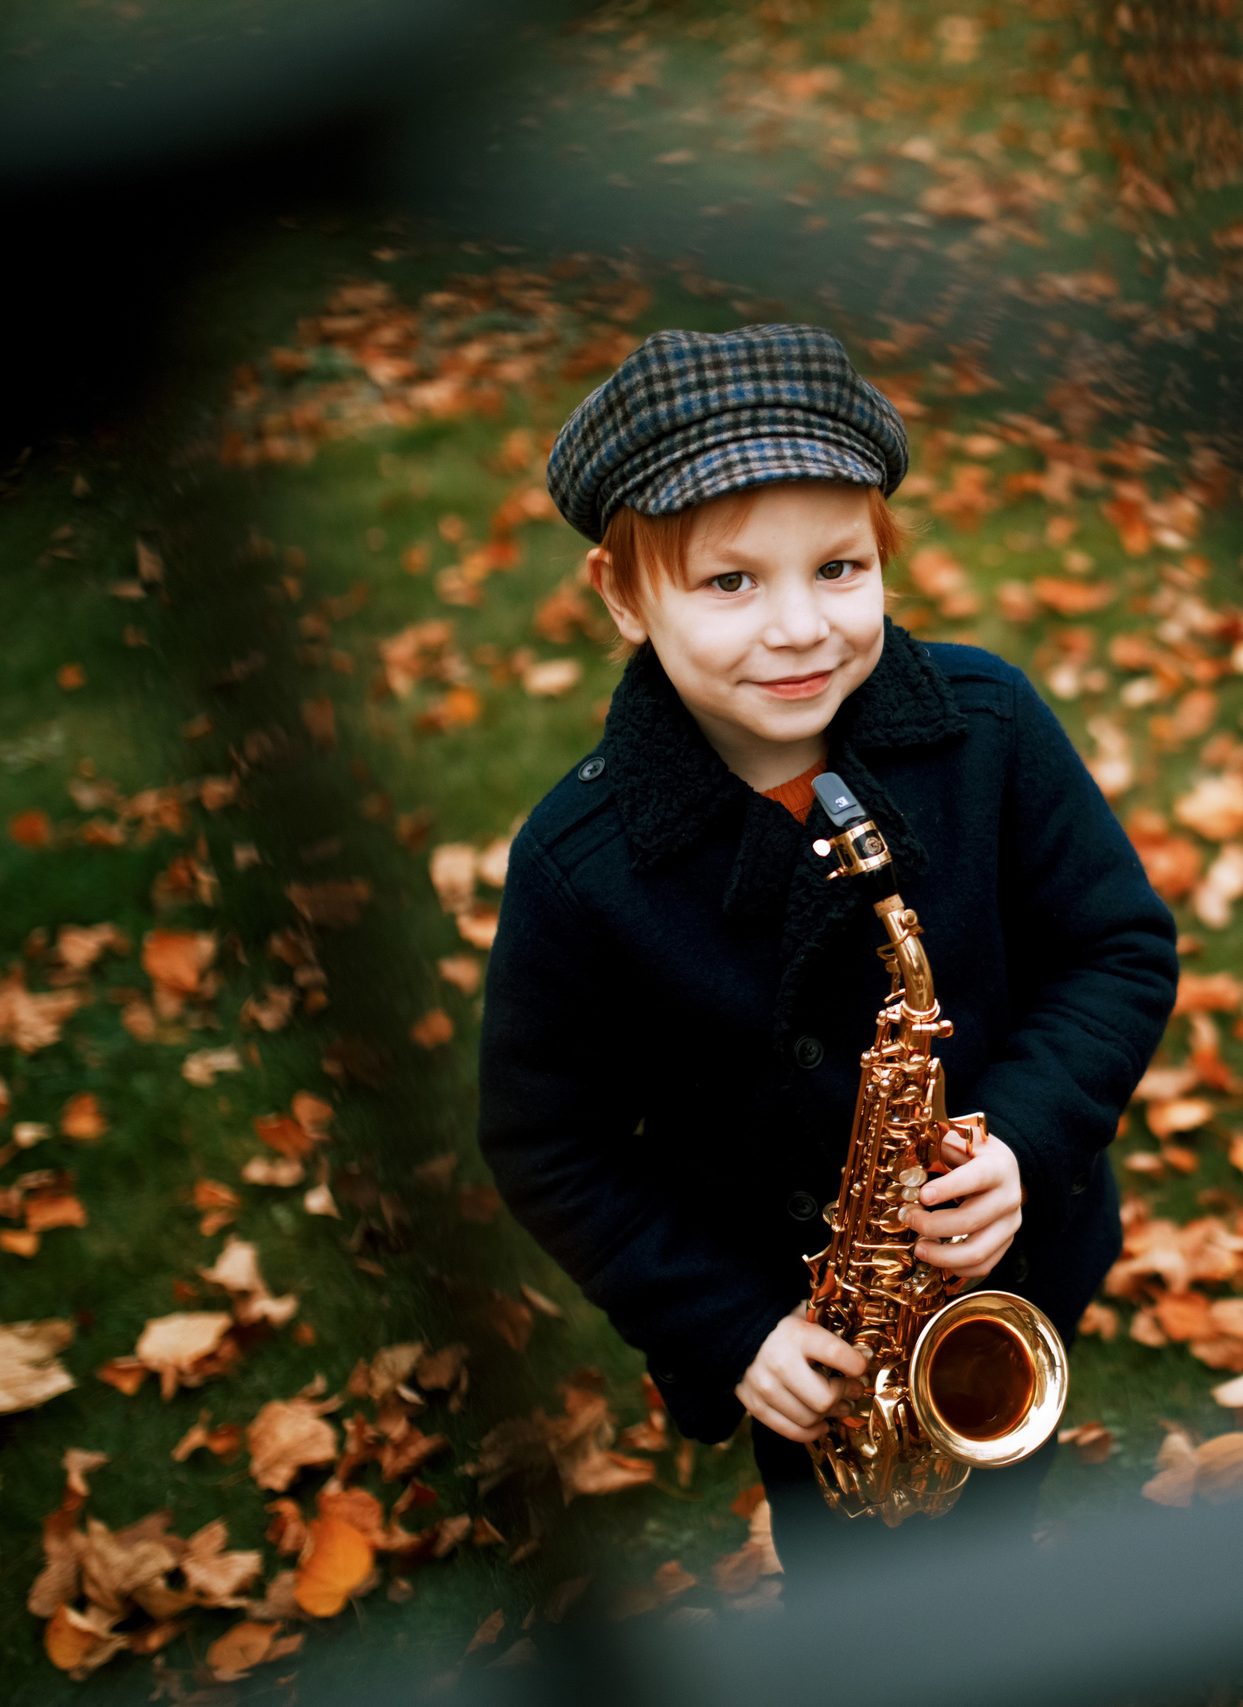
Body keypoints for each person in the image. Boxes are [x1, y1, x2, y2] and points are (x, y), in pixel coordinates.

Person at [477, 324, 1179, 1554]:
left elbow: (1116, 948)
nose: (800, 629)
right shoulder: (577, 865)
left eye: (840, 568)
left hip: (999, 1285)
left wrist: (1018, 1135)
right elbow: (551, 1140)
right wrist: (730, 1328)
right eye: (729, 582)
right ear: (622, 597)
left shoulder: (990, 727)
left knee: (994, 1544)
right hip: (811, 1344)